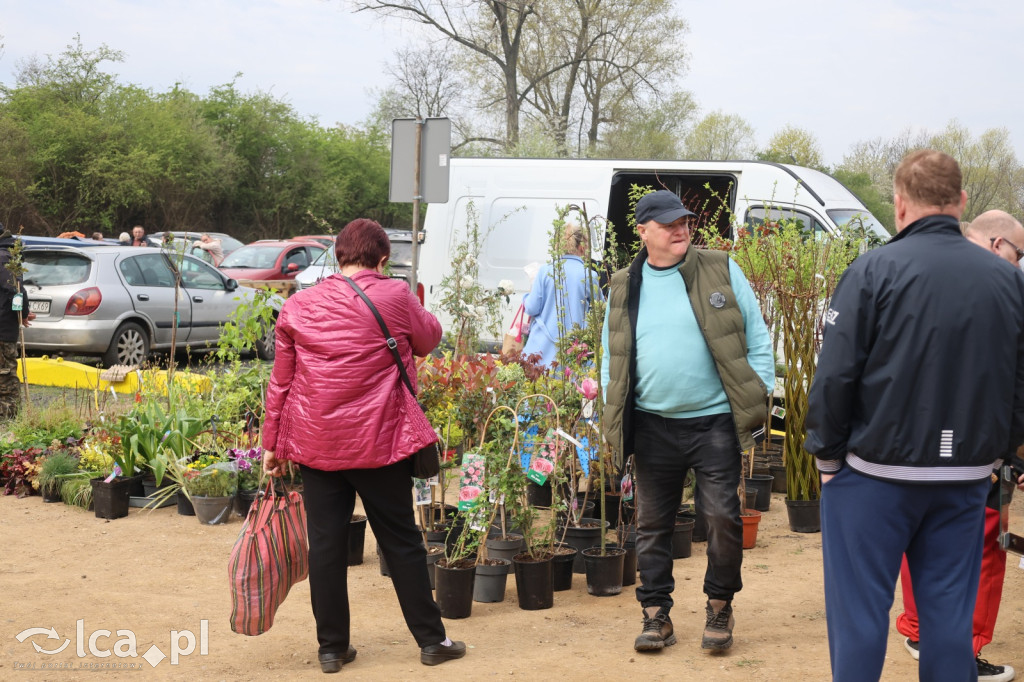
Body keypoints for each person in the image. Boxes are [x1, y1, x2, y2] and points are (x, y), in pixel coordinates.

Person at [805, 150, 1024, 682]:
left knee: (860, 620)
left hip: (874, 476)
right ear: (962, 202)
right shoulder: (1008, 281)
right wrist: (1003, 455)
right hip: (965, 478)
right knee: (948, 623)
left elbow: (835, 375)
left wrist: (827, 457)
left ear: (899, 204)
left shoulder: (872, 269)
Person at [261, 218, 466, 674]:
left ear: (339, 256)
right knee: (401, 542)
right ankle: (432, 641)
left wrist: (271, 443)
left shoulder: (298, 305)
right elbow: (430, 339)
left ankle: (332, 649)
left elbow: (281, 382)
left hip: (317, 443)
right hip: (381, 441)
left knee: (326, 545)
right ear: (383, 258)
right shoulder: (396, 295)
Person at [601, 190, 774, 653]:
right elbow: (610, 355)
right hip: (652, 425)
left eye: (685, 222)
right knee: (652, 525)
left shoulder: (721, 267)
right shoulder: (624, 283)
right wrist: (610, 406)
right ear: (643, 231)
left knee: (721, 517)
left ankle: (720, 605)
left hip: (714, 421)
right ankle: (656, 615)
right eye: (669, 224)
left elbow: (757, 336)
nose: (681, 230)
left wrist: (757, 391)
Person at [894, 209, 1024, 682]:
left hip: (909, 442)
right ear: (996, 244)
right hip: (975, 447)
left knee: (917, 535)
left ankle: (918, 628)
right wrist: (1013, 452)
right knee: (985, 548)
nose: (1019, 263)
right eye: (1019, 253)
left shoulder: (916, 267)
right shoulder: (1001, 288)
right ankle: (963, 649)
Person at [521, 222, 603, 366]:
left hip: (541, 352)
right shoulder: (590, 275)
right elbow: (600, 311)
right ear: (582, 246)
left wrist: (526, 297)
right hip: (576, 352)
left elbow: (532, 308)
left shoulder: (545, 271)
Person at [0, 227, 36, 420]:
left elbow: (16, 291)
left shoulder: (4, 258)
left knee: (6, 377)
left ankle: (10, 421)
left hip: (3, 329)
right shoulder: (6, 257)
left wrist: (21, 313)